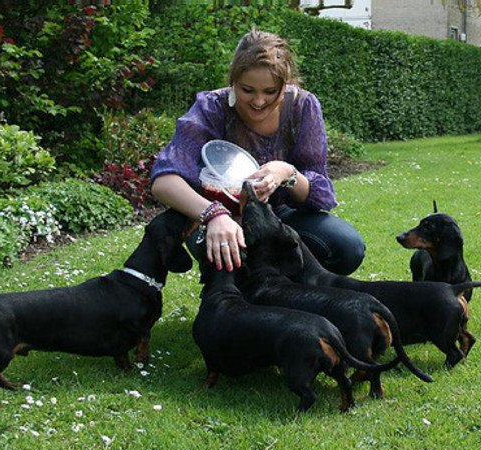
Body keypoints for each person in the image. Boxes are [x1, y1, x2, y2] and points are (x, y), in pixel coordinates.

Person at [150, 29, 365, 275]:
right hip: (216, 217)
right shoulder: (211, 107)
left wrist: (286, 172)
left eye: (270, 91)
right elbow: (164, 182)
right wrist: (214, 214)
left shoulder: (303, 106)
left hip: (279, 214)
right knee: (236, 262)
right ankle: (231, 289)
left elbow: (321, 196)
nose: (259, 101)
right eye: (247, 90)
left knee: (347, 247)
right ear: (233, 80)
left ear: (285, 84)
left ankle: (294, 289)